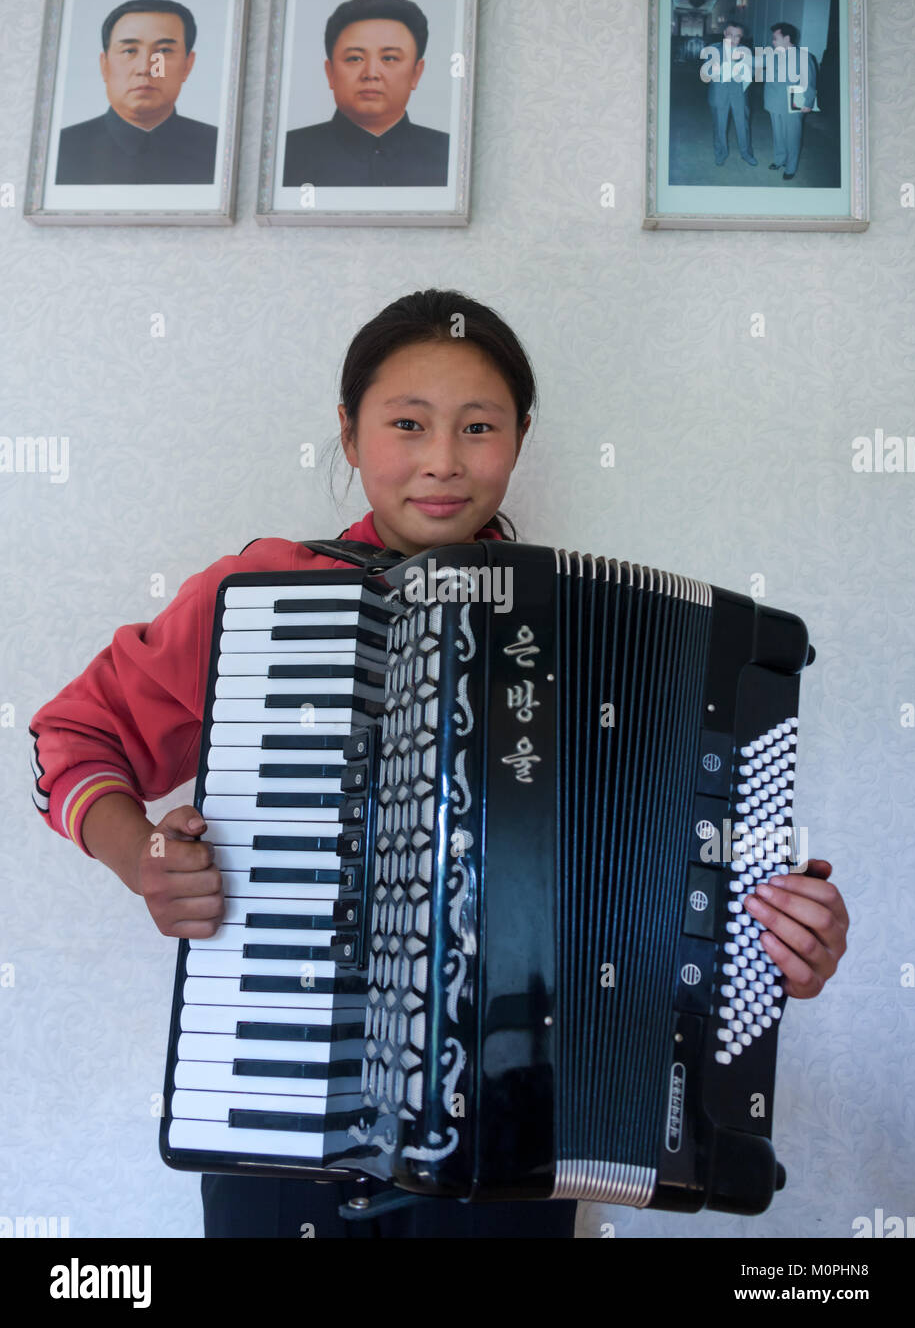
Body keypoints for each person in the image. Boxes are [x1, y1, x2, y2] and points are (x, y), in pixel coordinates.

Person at [29, 288, 850, 1237]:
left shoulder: (620, 638)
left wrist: (775, 936)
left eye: (479, 428)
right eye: (406, 424)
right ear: (347, 434)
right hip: (277, 1095)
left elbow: (684, 892)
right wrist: (142, 860)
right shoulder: (263, 597)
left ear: (520, 437)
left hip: (517, 1149)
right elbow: (71, 736)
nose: (442, 462)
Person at [283, 0, 449, 188]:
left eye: (389, 58)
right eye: (355, 58)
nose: (371, 74)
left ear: (416, 73)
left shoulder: (450, 154)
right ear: (330, 73)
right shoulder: (287, 154)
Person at [55, 0, 218, 185]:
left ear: (188, 65)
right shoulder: (58, 150)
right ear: (104, 65)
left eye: (163, 51)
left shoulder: (220, 149)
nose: (145, 68)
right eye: (129, 51)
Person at [762, 22, 819, 181]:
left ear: (787, 38)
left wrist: (807, 102)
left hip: (793, 100)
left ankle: (791, 167)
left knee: (792, 136)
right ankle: (780, 160)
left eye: (775, 38)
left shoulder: (804, 57)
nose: (772, 42)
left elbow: (809, 81)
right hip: (774, 101)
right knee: (778, 134)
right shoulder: (773, 54)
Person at [706, 23, 757, 168]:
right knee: (719, 126)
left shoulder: (745, 51)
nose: (734, 39)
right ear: (724, 33)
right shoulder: (714, 49)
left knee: (743, 125)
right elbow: (707, 72)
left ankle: (746, 154)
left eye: (738, 36)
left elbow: (753, 72)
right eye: (730, 35)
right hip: (719, 92)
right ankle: (720, 153)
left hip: (739, 92)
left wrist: (745, 68)